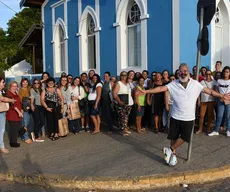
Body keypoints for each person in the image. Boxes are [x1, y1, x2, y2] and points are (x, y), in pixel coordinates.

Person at [142, 63, 228, 166]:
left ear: (188, 72)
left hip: (189, 118)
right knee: (173, 137)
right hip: (175, 116)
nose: (183, 73)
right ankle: (173, 155)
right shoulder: (173, 84)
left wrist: (221, 95)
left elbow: (209, 91)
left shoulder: (195, 84)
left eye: (185, 71)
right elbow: (160, 89)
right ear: (178, 72)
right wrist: (146, 91)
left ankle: (170, 149)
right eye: (181, 71)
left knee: (185, 137)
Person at [208, 66, 230, 137]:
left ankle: (228, 130)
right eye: (224, 71)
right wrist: (219, 96)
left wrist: (227, 95)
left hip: (228, 99)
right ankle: (216, 130)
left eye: (227, 72)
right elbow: (216, 90)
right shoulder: (219, 81)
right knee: (219, 115)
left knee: (228, 116)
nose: (225, 73)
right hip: (220, 99)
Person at [113, 71, 134, 136]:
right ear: (120, 76)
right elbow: (114, 94)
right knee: (122, 117)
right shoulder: (118, 83)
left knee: (126, 117)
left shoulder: (128, 84)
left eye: (125, 75)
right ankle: (122, 130)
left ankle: (125, 129)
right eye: (122, 75)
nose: (124, 76)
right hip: (121, 103)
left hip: (129, 103)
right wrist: (119, 101)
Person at [0, 78, 16, 153]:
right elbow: (2, 99)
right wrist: (11, 100)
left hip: (2, 113)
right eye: (3, 82)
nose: (4, 84)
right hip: (1, 112)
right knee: (1, 130)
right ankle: (1, 147)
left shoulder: (2, 91)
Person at [6, 81, 23, 148]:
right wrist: (19, 112)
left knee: (16, 128)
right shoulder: (8, 93)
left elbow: (18, 102)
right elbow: (12, 104)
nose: (15, 87)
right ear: (10, 86)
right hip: (12, 113)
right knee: (13, 128)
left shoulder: (16, 93)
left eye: (16, 86)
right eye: (13, 86)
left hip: (18, 112)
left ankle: (14, 140)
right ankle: (13, 143)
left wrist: (21, 110)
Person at [18, 78, 33, 144]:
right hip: (25, 109)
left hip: (30, 108)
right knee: (25, 123)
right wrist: (21, 109)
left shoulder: (29, 88)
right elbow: (20, 100)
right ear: (21, 83)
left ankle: (24, 137)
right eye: (23, 82)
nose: (25, 83)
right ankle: (26, 137)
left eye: (26, 82)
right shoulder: (20, 90)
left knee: (27, 122)